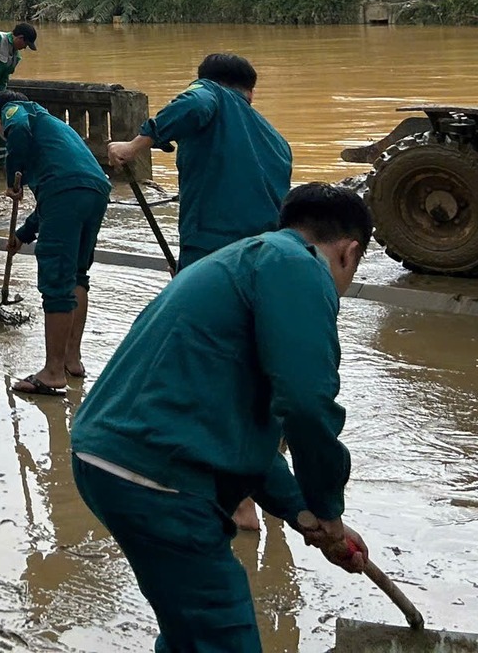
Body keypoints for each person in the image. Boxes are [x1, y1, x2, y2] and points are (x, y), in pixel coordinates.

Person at [70, 183, 374, 652]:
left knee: (190, 628)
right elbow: (306, 403)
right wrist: (329, 506)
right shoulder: (300, 268)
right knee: (222, 637)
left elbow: (241, 431)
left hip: (109, 456)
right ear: (350, 253)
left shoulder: (244, 259)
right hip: (157, 475)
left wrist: (303, 511)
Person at [107, 52, 293, 271]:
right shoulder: (278, 141)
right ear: (250, 94)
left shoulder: (208, 91)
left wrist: (134, 146)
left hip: (211, 242)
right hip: (267, 249)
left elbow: (195, 102)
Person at [0, 92, 112, 398]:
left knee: (57, 279)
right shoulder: (52, 126)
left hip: (66, 191)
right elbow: (54, 200)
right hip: (95, 189)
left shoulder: (15, 111)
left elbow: (16, 131)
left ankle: (52, 372)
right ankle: (72, 359)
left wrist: (12, 181)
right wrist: (22, 234)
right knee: (76, 275)